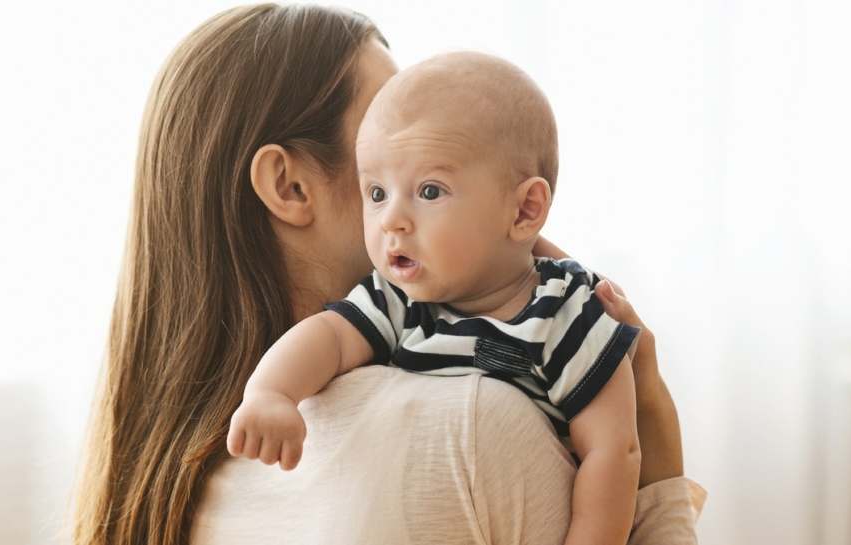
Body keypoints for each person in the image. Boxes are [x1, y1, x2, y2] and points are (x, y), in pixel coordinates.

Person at [68, 4, 705, 545]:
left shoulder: (162, 473)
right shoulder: (474, 425)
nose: (414, 138)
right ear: (289, 186)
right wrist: (655, 439)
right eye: (382, 135)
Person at [228, 51, 642, 544]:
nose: (391, 220)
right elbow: (328, 338)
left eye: (428, 191)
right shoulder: (401, 300)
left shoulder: (568, 308)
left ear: (525, 209)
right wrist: (272, 394)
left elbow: (613, 453)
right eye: (377, 193)